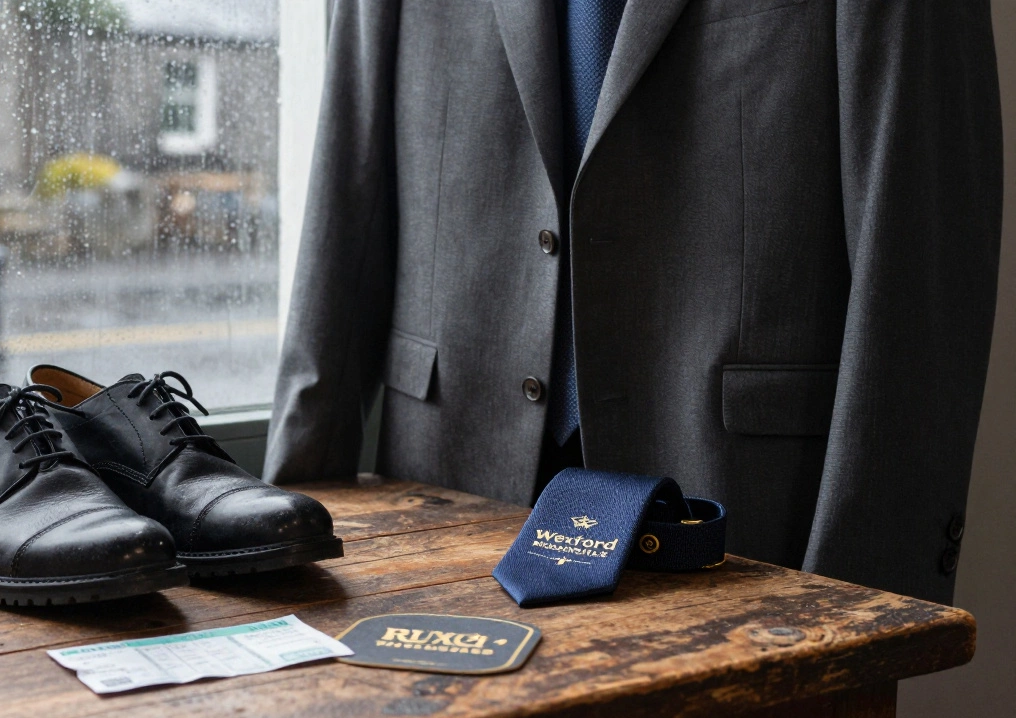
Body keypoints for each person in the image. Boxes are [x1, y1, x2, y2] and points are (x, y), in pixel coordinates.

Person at [265, 0, 1002, 605]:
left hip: (743, 515)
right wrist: (278, 541)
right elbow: (348, 188)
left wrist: (869, 602)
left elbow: (921, 257)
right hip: (448, 490)